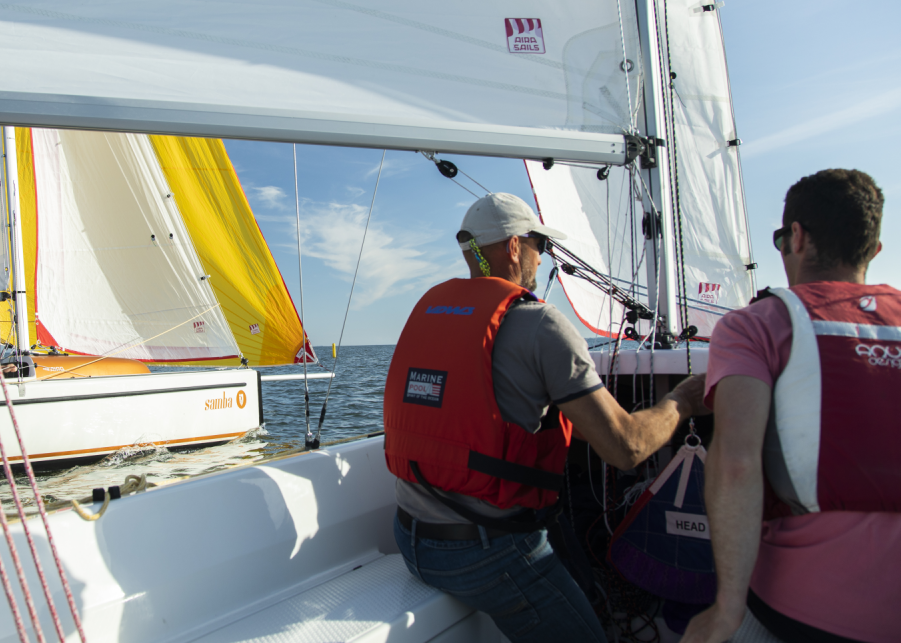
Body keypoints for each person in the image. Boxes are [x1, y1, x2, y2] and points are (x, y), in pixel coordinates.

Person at [384, 192, 710, 643]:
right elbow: (626, 448)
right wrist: (682, 402)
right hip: (484, 554)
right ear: (514, 246)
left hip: (409, 537)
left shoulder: (430, 313)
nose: (543, 257)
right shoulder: (542, 325)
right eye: (540, 244)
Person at [683, 169, 899, 643]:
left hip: (804, 610)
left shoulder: (755, 326)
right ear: (874, 250)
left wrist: (726, 609)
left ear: (796, 237)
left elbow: (736, 465)